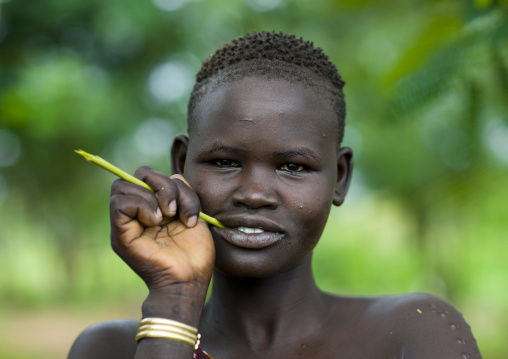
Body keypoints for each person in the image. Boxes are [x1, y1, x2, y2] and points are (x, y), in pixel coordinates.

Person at [68, 31, 481, 359]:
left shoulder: (413, 333)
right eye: (225, 162)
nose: (253, 194)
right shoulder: (109, 349)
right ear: (181, 163)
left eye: (293, 167)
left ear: (339, 177)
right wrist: (174, 303)